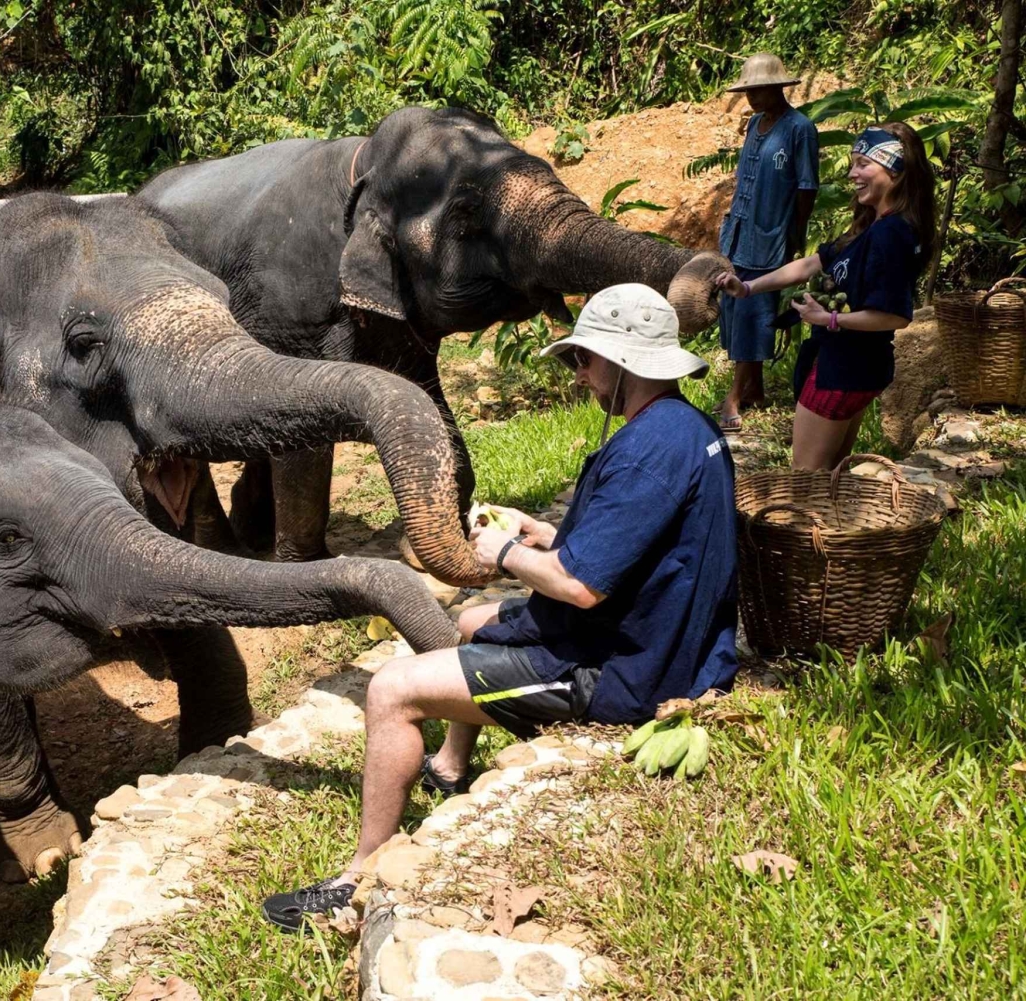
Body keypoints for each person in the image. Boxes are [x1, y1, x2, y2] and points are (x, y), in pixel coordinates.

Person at [260, 284, 739, 932]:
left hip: (625, 670)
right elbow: (630, 549)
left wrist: (506, 549)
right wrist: (542, 532)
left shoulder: (646, 452)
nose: (580, 376)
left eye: (585, 361)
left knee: (391, 691)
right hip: (663, 637)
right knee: (469, 620)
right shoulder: (687, 427)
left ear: (623, 363)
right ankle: (452, 767)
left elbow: (579, 587)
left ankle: (359, 874)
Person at [716, 123, 936, 470]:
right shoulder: (872, 226)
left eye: (863, 164)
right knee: (831, 475)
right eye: (853, 164)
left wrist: (828, 319)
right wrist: (747, 287)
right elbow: (811, 264)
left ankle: (810, 525)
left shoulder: (892, 234)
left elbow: (895, 315)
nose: (852, 174)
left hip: (846, 369)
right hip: (851, 367)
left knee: (806, 476)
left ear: (894, 169)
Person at [716, 53, 819, 433]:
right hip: (740, 231)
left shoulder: (799, 129)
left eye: (760, 89)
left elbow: (807, 187)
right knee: (732, 307)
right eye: (749, 91)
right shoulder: (755, 125)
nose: (754, 98)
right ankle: (754, 387)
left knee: (753, 313)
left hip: (772, 234)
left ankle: (735, 395)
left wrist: (794, 233)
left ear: (778, 87)